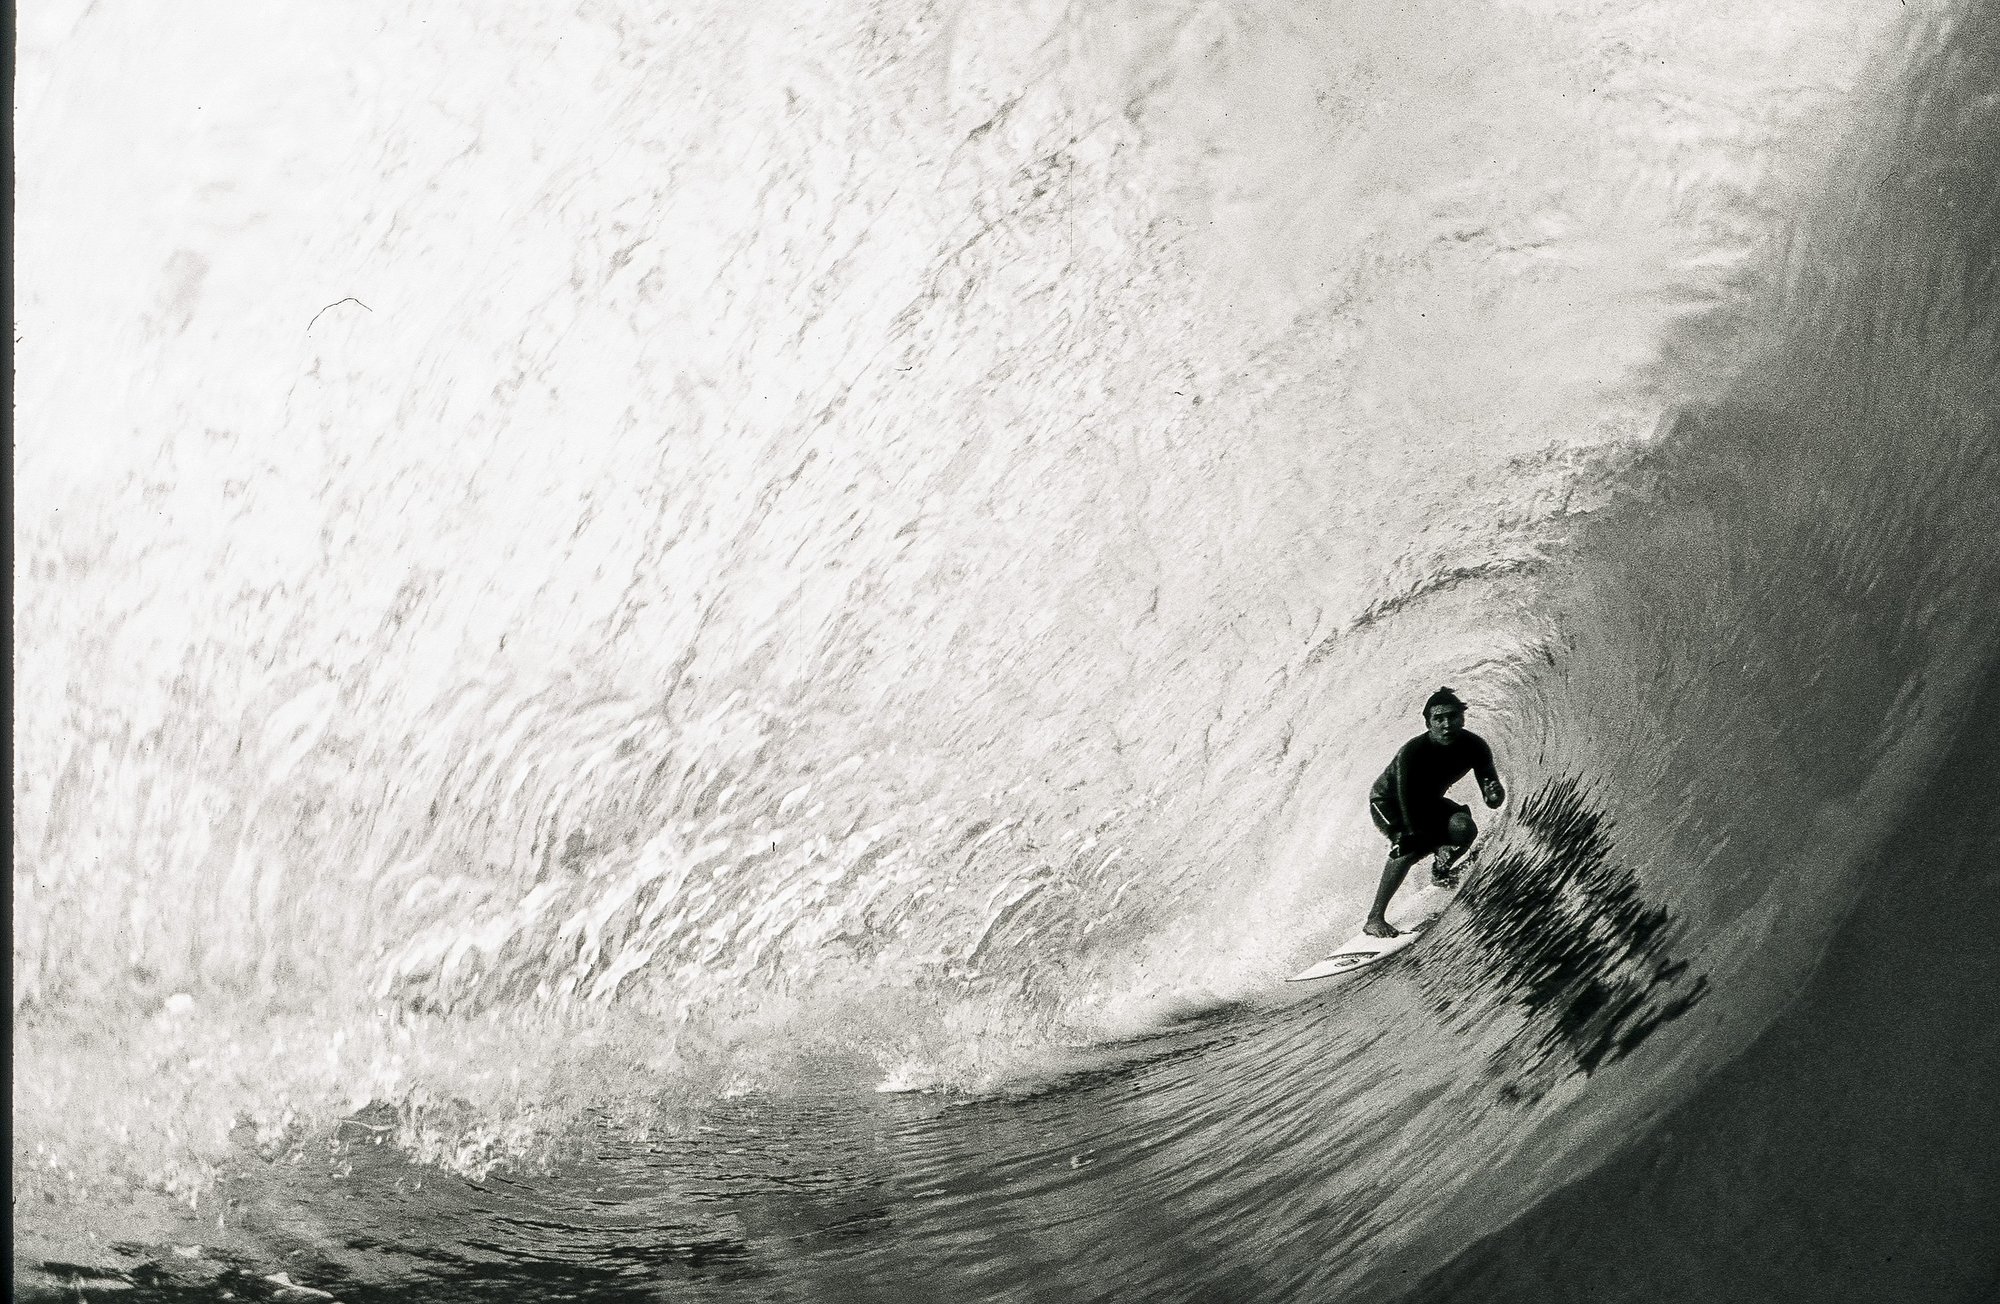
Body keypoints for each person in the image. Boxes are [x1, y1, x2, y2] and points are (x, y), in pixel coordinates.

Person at [1364, 687, 1505, 937]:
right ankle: (1374, 918)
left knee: (1464, 828)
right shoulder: (1413, 752)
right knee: (1407, 845)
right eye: (1438, 719)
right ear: (1428, 723)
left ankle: (1440, 871)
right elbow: (1408, 809)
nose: (1446, 724)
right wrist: (1433, 840)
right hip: (1390, 803)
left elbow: (1492, 799)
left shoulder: (1475, 746)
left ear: (1462, 717)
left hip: (1427, 802)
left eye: (1452, 716)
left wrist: (1494, 795)